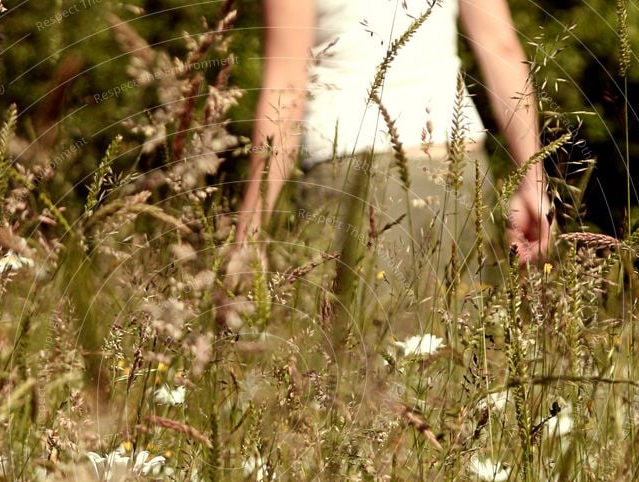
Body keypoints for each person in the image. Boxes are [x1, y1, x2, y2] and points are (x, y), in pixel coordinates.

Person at [227, 0, 552, 319]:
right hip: (459, 166)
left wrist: (252, 230)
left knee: (352, 359)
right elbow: (501, 46)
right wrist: (533, 180)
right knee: (457, 355)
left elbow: (286, 85)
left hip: (353, 175)